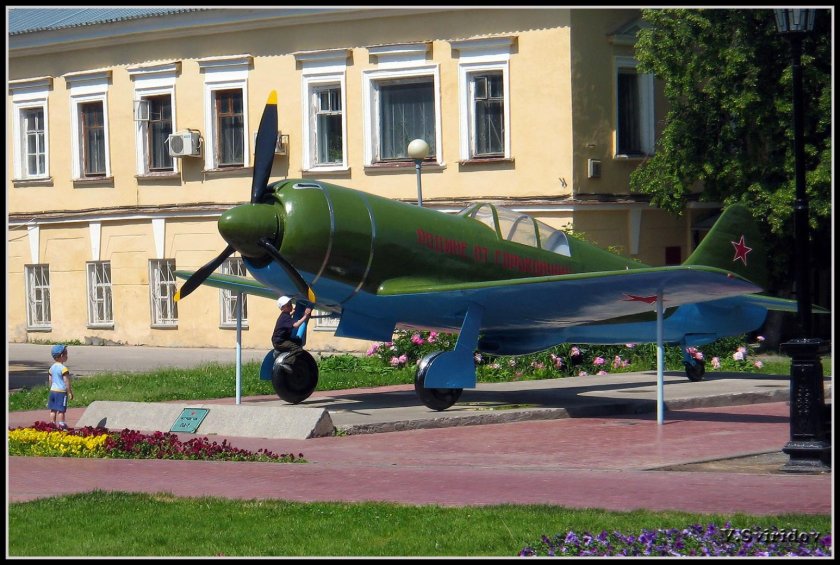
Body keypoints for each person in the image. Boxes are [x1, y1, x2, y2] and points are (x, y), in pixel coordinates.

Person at [271, 296, 312, 370]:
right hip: (280, 342)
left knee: (298, 341)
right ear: (282, 308)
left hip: (280, 340)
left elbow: (290, 315)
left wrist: (295, 310)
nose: (291, 306)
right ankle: (286, 362)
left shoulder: (285, 315)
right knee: (297, 349)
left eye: (290, 303)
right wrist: (305, 316)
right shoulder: (285, 317)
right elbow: (296, 325)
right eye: (288, 305)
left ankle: (282, 353)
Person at [47, 344, 73, 429]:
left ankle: (52, 424)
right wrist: (69, 392)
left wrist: (51, 388)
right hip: (61, 392)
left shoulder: (52, 368)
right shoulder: (63, 368)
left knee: (53, 409)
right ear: (62, 356)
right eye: (66, 354)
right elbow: (66, 381)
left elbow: (50, 379)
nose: (67, 356)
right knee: (61, 410)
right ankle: (61, 424)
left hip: (52, 391)